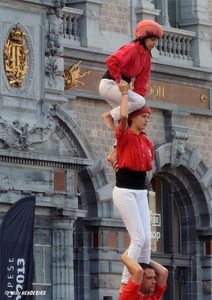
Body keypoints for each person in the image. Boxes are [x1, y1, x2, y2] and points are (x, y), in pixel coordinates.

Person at [99, 19, 163, 164]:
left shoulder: (146, 56)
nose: (154, 43)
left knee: (127, 122)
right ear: (143, 37)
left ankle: (114, 154)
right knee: (139, 102)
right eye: (152, 39)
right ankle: (109, 115)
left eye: (156, 40)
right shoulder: (132, 48)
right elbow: (111, 61)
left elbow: (142, 81)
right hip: (109, 85)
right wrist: (118, 80)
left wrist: (139, 108)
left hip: (120, 88)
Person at [113, 80, 154, 292]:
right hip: (125, 190)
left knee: (147, 241)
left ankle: (143, 281)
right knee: (137, 236)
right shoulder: (125, 135)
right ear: (133, 118)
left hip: (140, 190)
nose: (146, 120)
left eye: (148, 117)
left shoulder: (146, 141)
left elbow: (146, 165)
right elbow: (120, 117)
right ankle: (125, 282)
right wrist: (124, 94)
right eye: (143, 117)